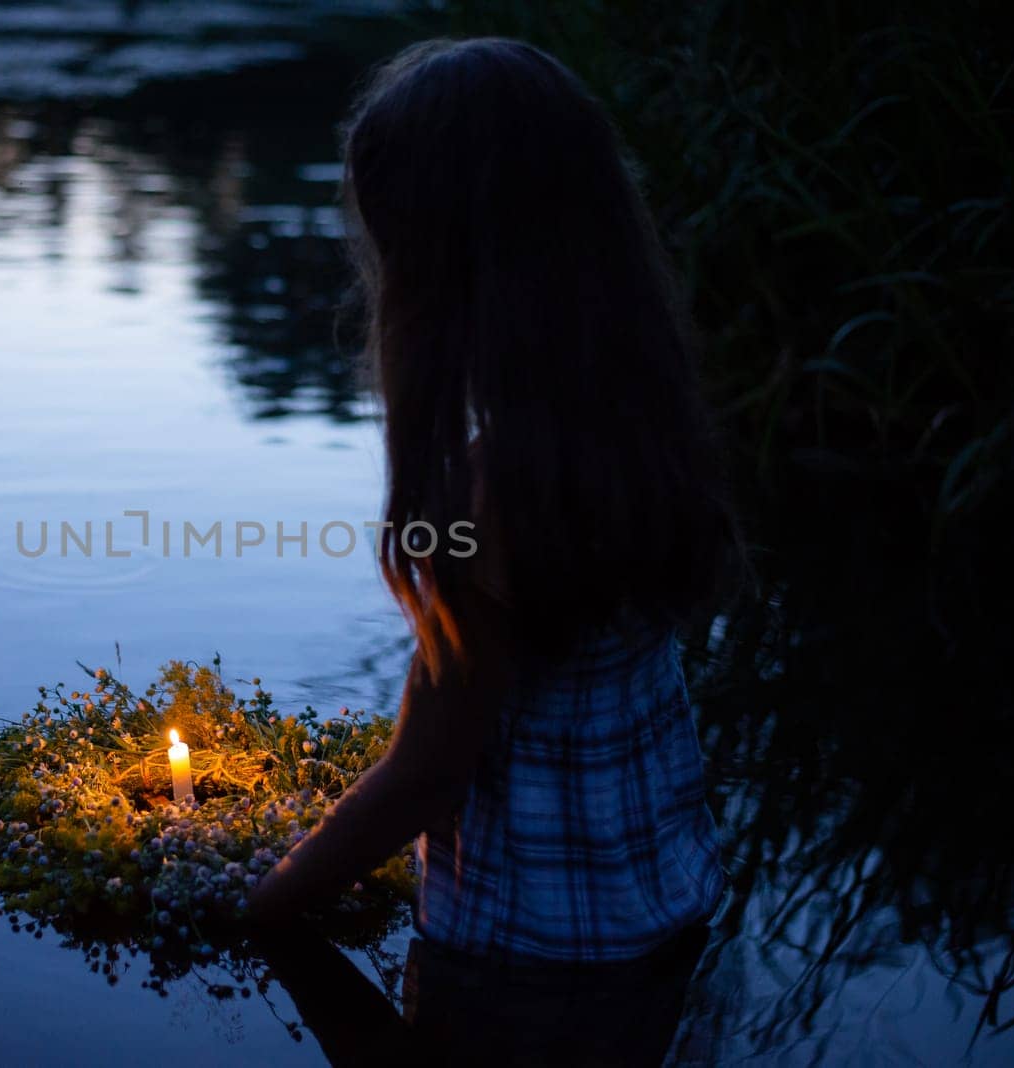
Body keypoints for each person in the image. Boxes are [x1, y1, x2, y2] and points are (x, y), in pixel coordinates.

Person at [246, 38, 738, 1065]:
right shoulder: (641, 412)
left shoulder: (482, 492)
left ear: (436, 271)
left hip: (524, 965)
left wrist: (263, 903)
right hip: (669, 914)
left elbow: (427, 774)